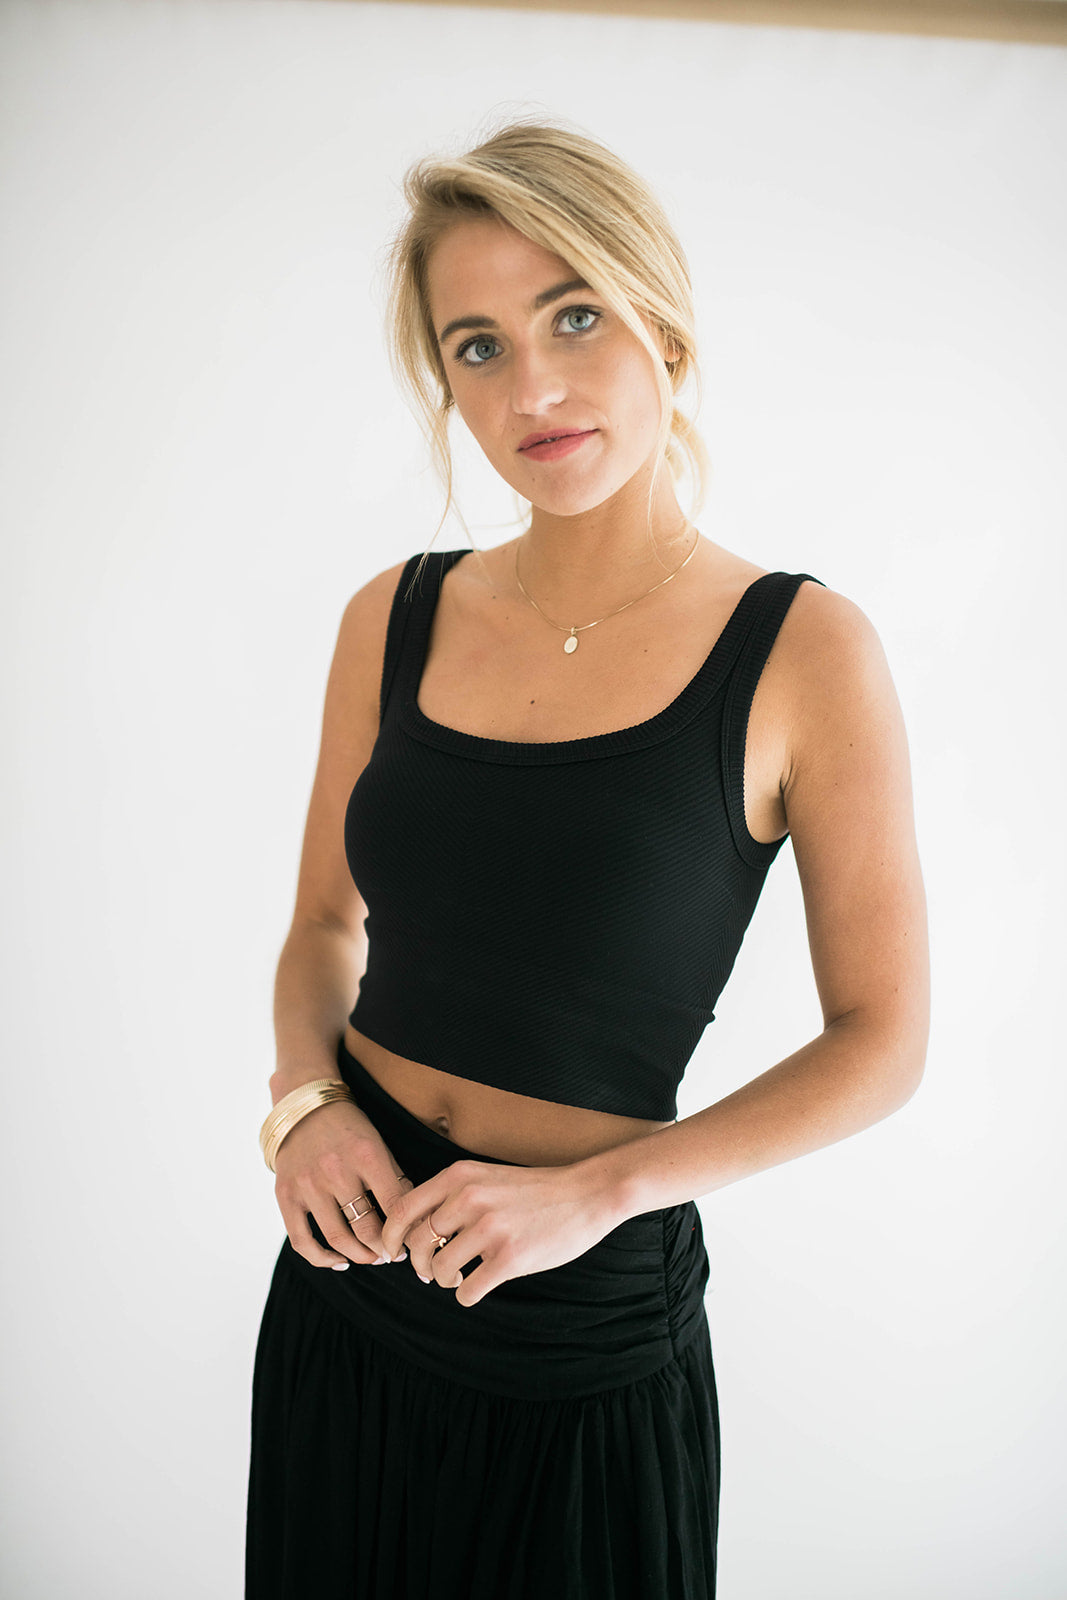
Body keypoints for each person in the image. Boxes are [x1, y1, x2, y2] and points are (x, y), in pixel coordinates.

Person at [245, 119, 929, 1600]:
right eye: (477, 347)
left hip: (580, 1326)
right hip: (347, 1277)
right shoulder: (393, 614)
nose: (532, 390)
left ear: (661, 326)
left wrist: (603, 1193)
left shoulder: (804, 651)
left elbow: (882, 1043)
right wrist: (306, 1106)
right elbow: (319, 925)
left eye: (573, 318)